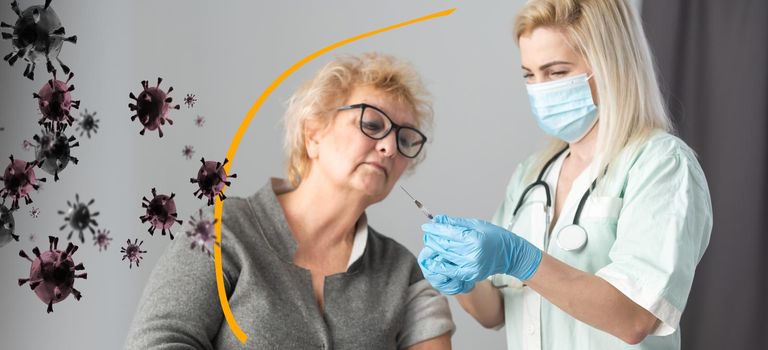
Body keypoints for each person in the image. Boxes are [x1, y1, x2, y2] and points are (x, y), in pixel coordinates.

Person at [417, 1, 712, 349]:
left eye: (556, 72)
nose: (540, 88)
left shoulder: (661, 164)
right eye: (529, 74)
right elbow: (496, 312)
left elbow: (635, 318)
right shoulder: (533, 174)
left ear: (609, 66)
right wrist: (463, 280)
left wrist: (520, 258)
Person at [126, 53, 454, 349]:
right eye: (371, 124)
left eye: (405, 139)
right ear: (313, 134)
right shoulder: (223, 232)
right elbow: (157, 343)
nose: (390, 148)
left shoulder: (404, 274)